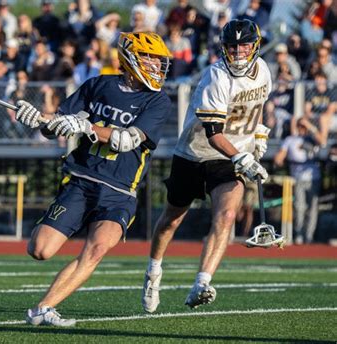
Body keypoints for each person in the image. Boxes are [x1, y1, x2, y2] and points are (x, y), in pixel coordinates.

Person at [15, 31, 172, 326]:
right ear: (129, 58)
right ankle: (45, 304)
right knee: (40, 250)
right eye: (149, 57)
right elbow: (58, 124)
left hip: (120, 190)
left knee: (98, 247)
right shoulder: (98, 84)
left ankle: (43, 308)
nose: (155, 65)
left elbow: (127, 140)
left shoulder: (158, 101)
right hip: (81, 179)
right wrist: (37, 120)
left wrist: (84, 126)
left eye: (157, 59)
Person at [141, 19, 271, 313]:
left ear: (255, 46)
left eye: (244, 46)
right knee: (171, 220)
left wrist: (259, 133)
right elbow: (213, 134)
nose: (238, 52)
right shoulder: (217, 76)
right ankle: (153, 272)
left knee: (226, 215)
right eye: (232, 47)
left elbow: (259, 104)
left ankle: (202, 282)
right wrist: (243, 157)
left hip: (228, 160)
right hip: (195, 153)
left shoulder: (263, 69)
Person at [274, 117, 324, 244]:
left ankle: (309, 235)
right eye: (300, 126)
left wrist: (310, 126)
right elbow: (280, 156)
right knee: (299, 207)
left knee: (312, 208)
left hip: (313, 178)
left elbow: (322, 141)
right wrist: (279, 160)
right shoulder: (290, 140)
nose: (302, 128)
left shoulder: (312, 138)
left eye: (304, 126)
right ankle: (299, 234)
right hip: (297, 178)